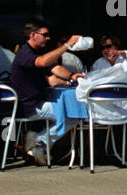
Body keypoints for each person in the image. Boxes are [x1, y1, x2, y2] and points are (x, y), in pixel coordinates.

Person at [9, 21, 86, 165]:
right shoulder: (25, 53)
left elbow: (54, 68)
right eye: (45, 35)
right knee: (73, 114)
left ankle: (39, 145)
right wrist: (67, 45)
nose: (48, 38)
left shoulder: (39, 52)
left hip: (37, 102)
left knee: (72, 113)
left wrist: (71, 76)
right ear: (32, 35)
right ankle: (39, 141)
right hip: (28, 106)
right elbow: (43, 62)